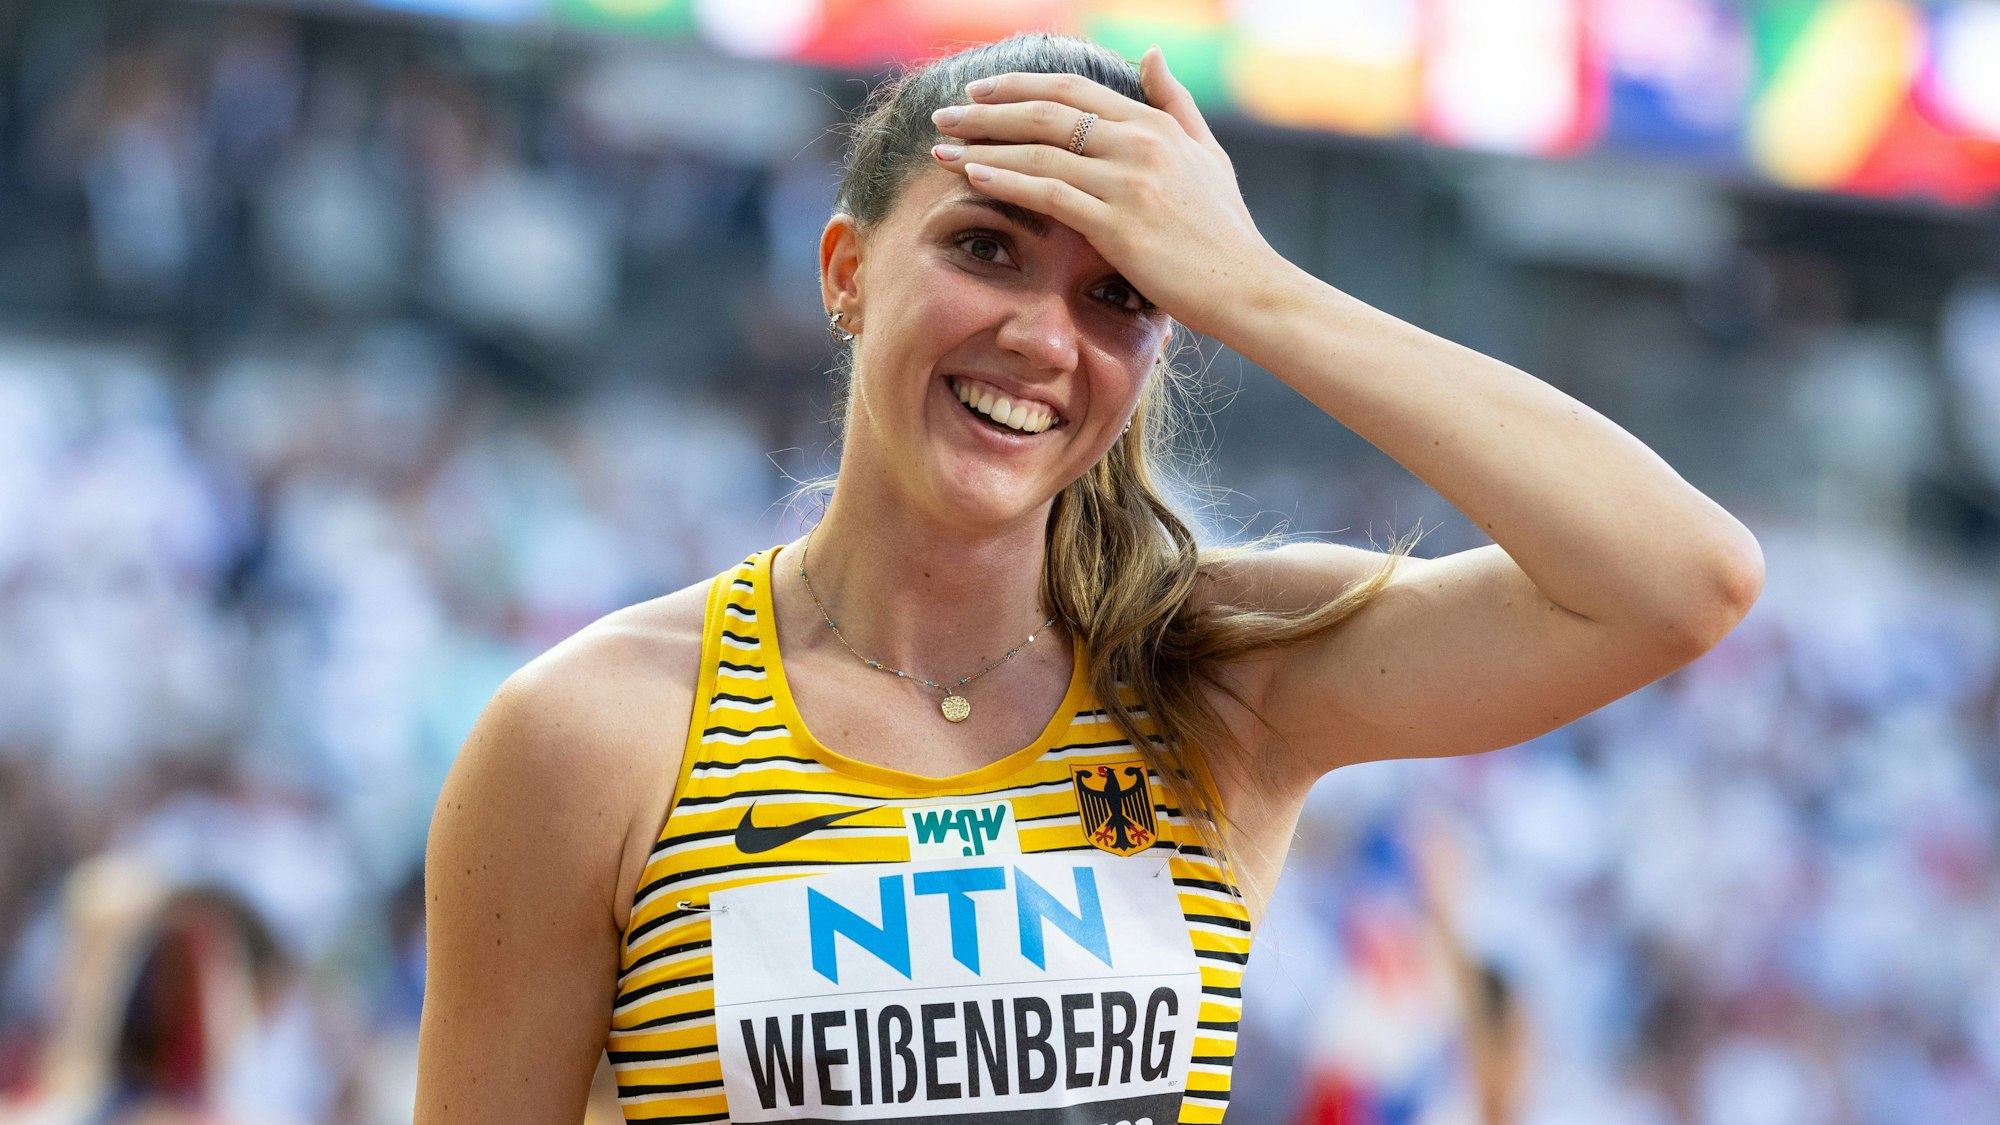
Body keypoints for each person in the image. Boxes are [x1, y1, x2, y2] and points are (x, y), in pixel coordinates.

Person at [414, 31, 1764, 1124]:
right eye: (985, 247)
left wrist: (1253, 287)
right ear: (846, 273)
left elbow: (1679, 580)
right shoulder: (591, 734)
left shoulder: (1219, 681)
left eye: (1119, 294)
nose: (1041, 337)